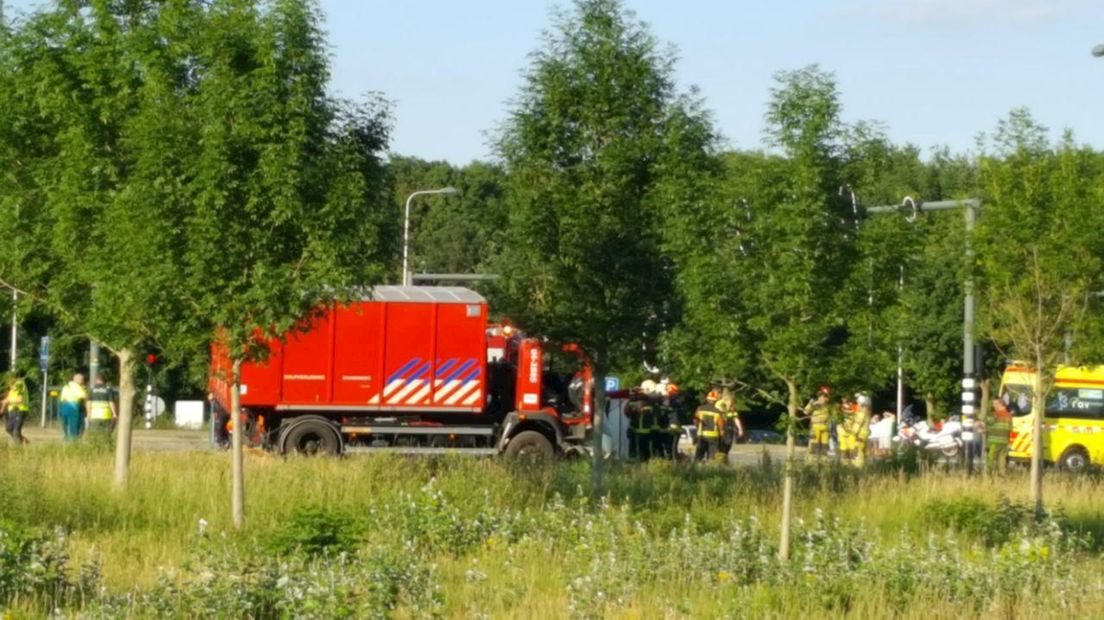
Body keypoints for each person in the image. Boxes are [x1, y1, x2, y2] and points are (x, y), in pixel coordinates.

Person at [694, 390, 725, 462]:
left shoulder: (700, 409)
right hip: (713, 436)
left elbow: (695, 420)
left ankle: (695, 469)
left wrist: (698, 427)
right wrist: (722, 434)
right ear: (715, 401)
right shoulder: (717, 411)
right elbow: (721, 424)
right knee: (712, 457)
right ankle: (710, 470)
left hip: (701, 435)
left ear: (707, 399)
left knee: (699, 455)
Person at [805, 386, 832, 464]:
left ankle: (824, 464)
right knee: (813, 446)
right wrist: (812, 404)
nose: (826, 398)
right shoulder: (815, 403)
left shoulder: (828, 406)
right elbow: (805, 412)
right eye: (824, 396)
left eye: (827, 396)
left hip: (825, 428)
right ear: (820, 395)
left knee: (824, 447)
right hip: (815, 427)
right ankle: (810, 464)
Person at [0, 375, 31, 445]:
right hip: (13, 410)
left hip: (19, 410)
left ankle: (19, 449)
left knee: (16, 431)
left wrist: (7, 402)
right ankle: (26, 443)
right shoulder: (13, 387)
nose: (8, 382)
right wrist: (3, 402)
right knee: (9, 428)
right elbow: (10, 399)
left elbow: (19, 399)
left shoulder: (18, 384)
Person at [59, 373, 89, 440]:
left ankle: (65, 441)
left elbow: (61, 398)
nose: (83, 381)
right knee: (73, 427)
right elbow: (83, 396)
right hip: (73, 407)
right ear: (78, 380)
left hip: (63, 407)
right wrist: (83, 389)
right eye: (82, 380)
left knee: (65, 426)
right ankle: (73, 442)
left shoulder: (66, 386)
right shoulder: (77, 386)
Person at [986, 399, 1012, 474]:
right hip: (1004, 442)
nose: (993, 406)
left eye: (995, 404)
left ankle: (989, 476)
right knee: (1002, 461)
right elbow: (1010, 428)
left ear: (1000, 404)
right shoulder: (1009, 415)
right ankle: (1002, 477)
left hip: (994, 441)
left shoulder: (995, 414)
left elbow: (987, 422)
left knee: (991, 459)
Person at [850, 393, 873, 467]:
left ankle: (858, 467)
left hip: (860, 433)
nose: (857, 404)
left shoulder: (861, 411)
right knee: (863, 450)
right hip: (865, 432)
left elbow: (858, 422)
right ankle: (864, 466)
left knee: (858, 450)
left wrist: (853, 432)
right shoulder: (868, 411)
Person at [836, 395, 856, 463]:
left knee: (852, 447)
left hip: (852, 430)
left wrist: (846, 410)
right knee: (843, 447)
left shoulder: (854, 406)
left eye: (845, 397)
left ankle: (853, 462)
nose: (844, 399)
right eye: (843, 398)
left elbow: (855, 412)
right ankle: (844, 463)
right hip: (842, 430)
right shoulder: (839, 407)